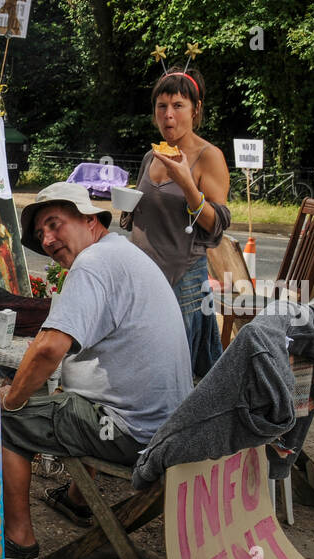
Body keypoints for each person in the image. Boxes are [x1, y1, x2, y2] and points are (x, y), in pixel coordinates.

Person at [0, 183, 193, 559]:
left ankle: (19, 541)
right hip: (168, 424)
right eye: (41, 235)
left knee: (4, 419)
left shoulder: (93, 264)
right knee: (75, 393)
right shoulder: (121, 252)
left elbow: (50, 348)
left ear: (90, 219)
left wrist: (12, 398)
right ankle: (78, 500)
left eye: (55, 225)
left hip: (136, 434)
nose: (49, 240)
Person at [122, 68, 232, 378]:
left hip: (182, 283)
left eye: (178, 106)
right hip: (143, 280)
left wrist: (187, 185)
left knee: (174, 372)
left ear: (195, 110)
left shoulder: (208, 156)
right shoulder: (152, 156)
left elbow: (218, 225)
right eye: (162, 106)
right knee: (143, 367)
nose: (168, 115)